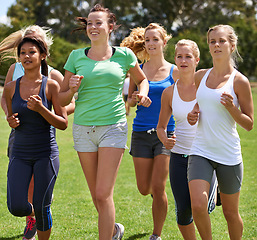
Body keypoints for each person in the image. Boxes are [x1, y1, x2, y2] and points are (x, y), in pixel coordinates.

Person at [58, 4, 151, 240]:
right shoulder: (76, 56)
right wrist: (71, 89)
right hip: (83, 130)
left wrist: (144, 92)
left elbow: (142, 80)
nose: (93, 27)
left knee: (102, 193)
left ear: (110, 27)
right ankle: (114, 230)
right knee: (96, 195)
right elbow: (60, 98)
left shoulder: (124, 55)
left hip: (113, 126)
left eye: (98, 22)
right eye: (89, 23)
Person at [0, 25, 75, 240]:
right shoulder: (12, 84)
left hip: (45, 152)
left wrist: (43, 109)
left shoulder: (51, 83)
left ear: (43, 53)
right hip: (19, 151)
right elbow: (9, 107)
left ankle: (41, 214)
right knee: (16, 206)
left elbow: (63, 121)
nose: (26, 56)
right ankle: (38, 212)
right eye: (23, 52)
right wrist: (10, 119)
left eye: (32, 51)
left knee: (42, 204)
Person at [187, 24, 254, 239]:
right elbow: (199, 105)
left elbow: (249, 123)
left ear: (232, 45)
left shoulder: (240, 81)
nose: (216, 45)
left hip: (228, 154)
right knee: (197, 204)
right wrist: (193, 114)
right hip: (201, 150)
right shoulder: (200, 77)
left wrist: (232, 109)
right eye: (212, 41)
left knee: (230, 213)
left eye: (222, 40)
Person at [121, 23, 179, 240]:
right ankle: (157, 195)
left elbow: (183, 100)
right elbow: (131, 100)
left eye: (155, 39)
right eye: (147, 40)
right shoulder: (139, 69)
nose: (151, 43)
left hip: (166, 133)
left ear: (164, 42)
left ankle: (156, 234)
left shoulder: (175, 71)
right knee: (144, 188)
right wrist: (136, 99)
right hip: (140, 133)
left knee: (158, 185)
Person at [157, 39, 217, 240]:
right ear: (175, 59)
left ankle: (215, 191)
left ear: (197, 60)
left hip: (205, 156)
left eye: (188, 56)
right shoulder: (169, 93)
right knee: (183, 212)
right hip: (179, 158)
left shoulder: (208, 87)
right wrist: (165, 140)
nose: (183, 60)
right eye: (179, 56)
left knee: (200, 207)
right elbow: (161, 127)